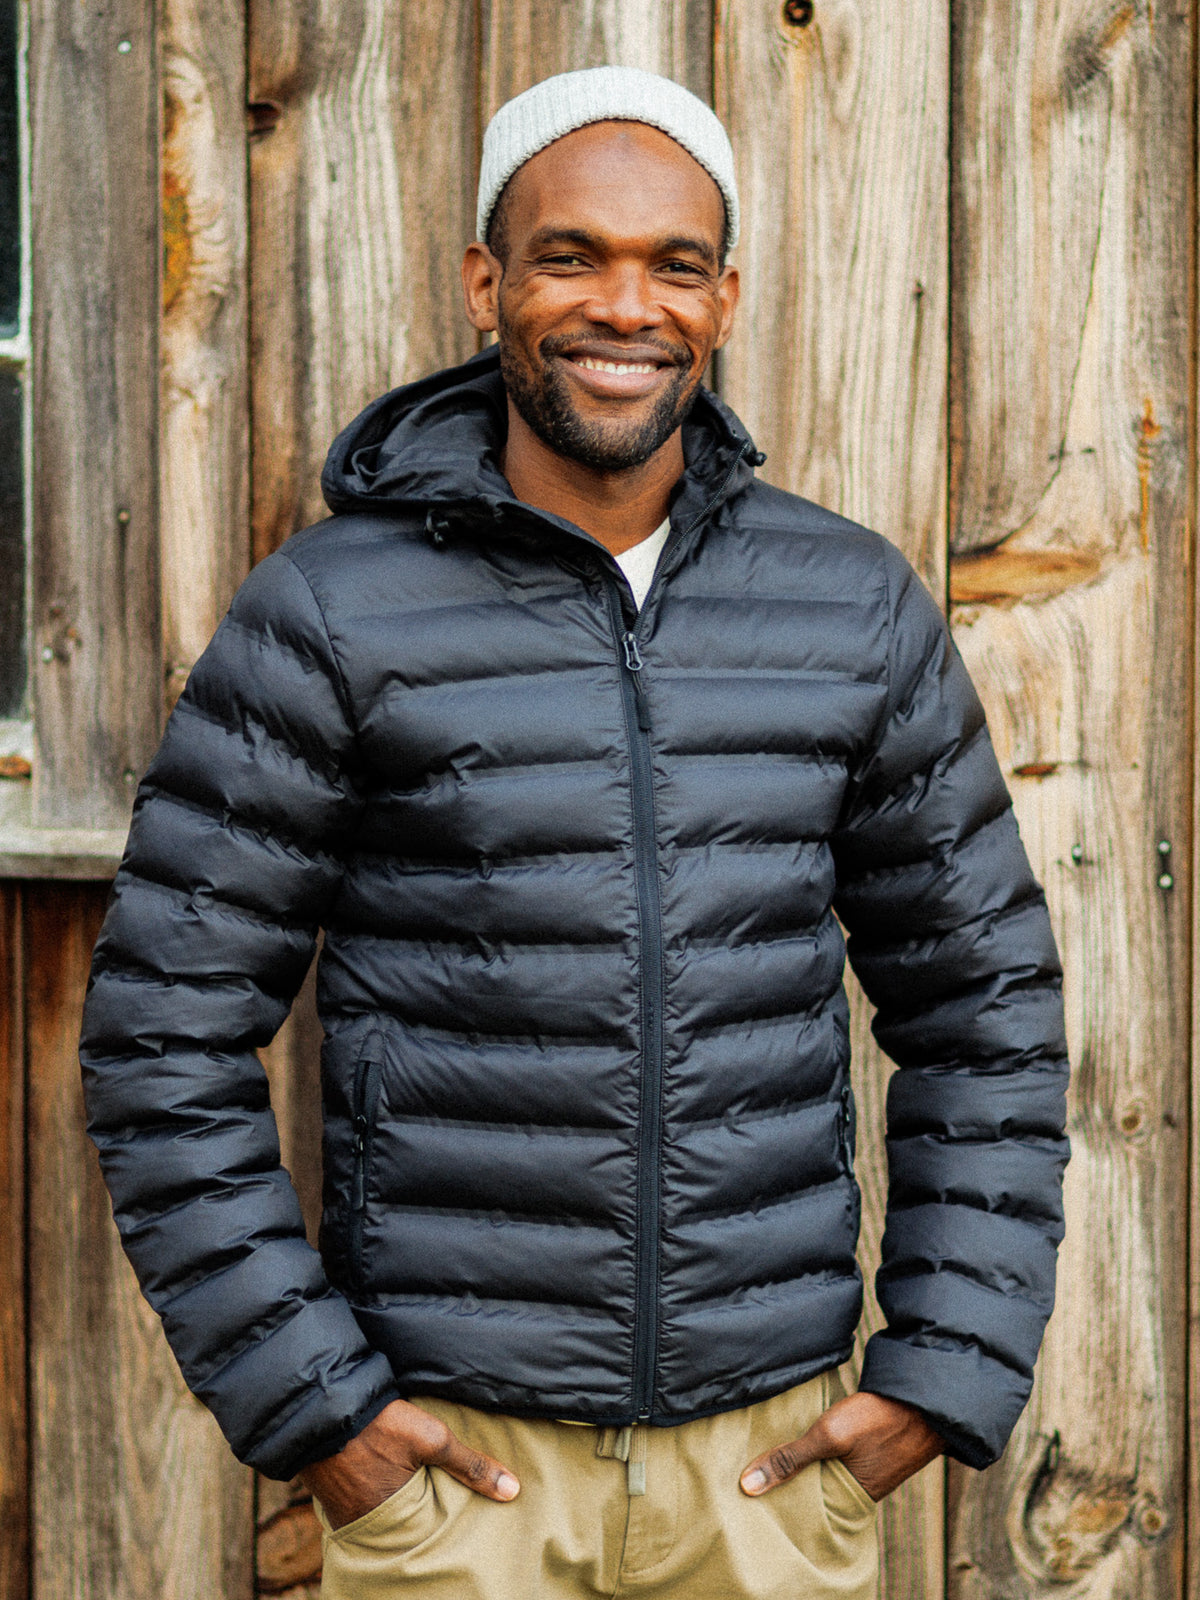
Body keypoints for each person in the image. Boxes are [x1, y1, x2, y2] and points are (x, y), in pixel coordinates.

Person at [80, 66, 1069, 1600]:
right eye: (571, 256)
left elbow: (985, 1011)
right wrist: (315, 1409)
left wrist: (947, 1363)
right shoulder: (330, 614)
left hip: (769, 1473)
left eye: (673, 264)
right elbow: (162, 1033)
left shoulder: (852, 609)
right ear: (489, 280)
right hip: (461, 1487)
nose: (626, 305)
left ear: (724, 297)